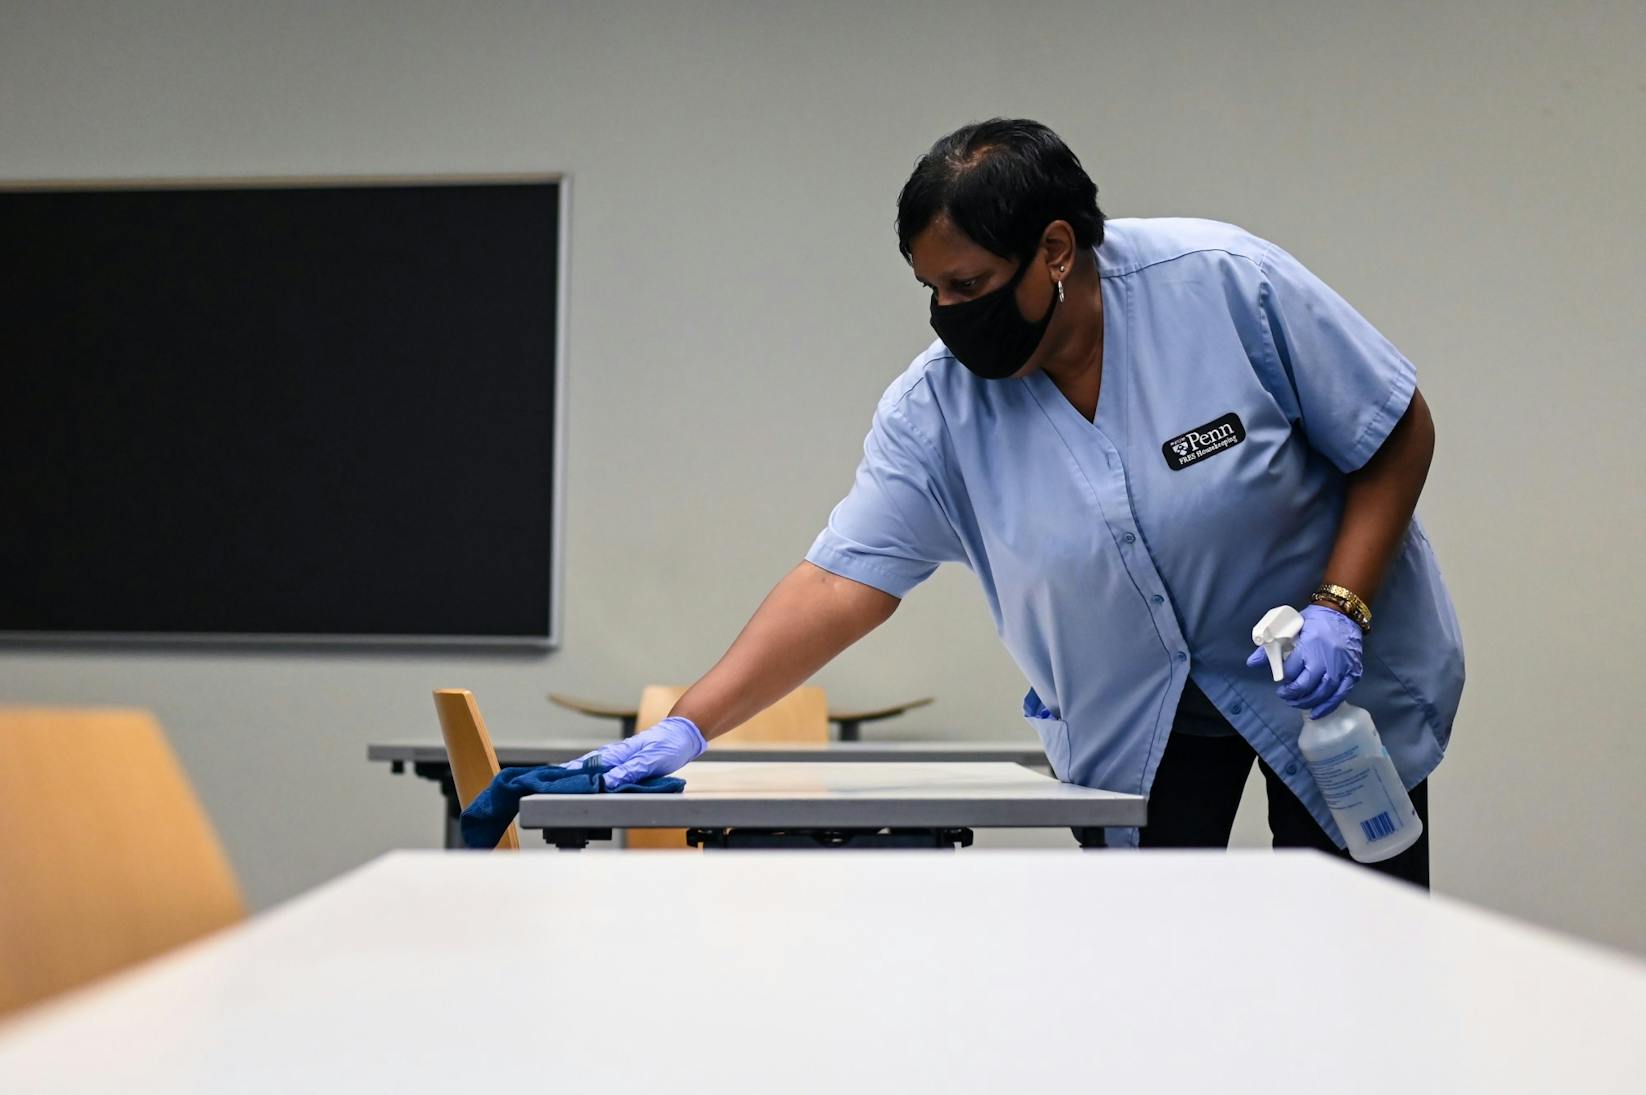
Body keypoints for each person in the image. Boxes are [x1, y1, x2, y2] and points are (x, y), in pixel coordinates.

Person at [572, 118, 1464, 887]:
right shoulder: (939, 410)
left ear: (1055, 250)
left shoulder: (1224, 284)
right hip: (1141, 714)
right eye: (930, 288)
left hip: (1321, 677)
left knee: (1360, 958)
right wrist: (691, 723)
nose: (947, 313)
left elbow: (1393, 430)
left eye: (968, 285)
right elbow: (840, 582)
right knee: (1153, 990)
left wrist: (1342, 606)